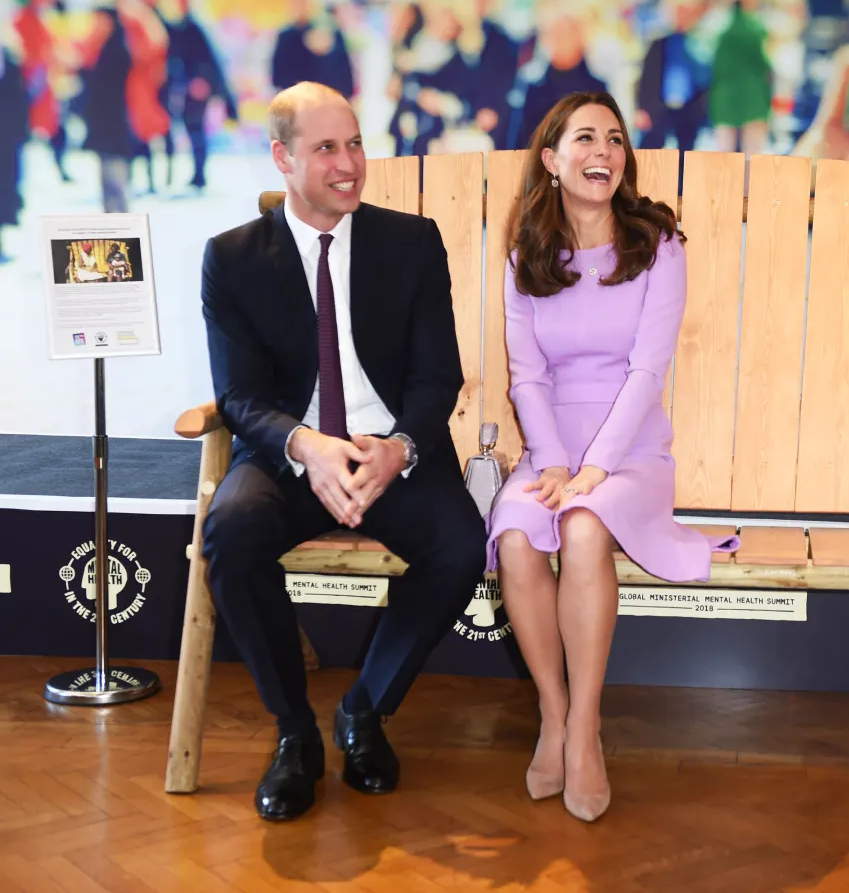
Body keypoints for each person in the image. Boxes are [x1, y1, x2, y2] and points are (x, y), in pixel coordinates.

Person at [200, 81, 487, 822]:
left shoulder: (412, 242)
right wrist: (307, 446)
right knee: (231, 531)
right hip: (290, 456)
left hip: (390, 453)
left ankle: (363, 711)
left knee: (460, 544)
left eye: (355, 143)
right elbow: (238, 398)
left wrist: (399, 449)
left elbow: (437, 374)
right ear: (283, 158)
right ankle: (295, 734)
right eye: (326, 147)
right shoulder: (231, 258)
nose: (349, 163)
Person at [485, 91, 739, 823]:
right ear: (552, 160)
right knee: (515, 534)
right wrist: (557, 464)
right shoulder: (526, 255)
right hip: (549, 450)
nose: (604, 151)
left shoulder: (658, 244)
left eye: (616, 140)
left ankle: (588, 728)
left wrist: (595, 469)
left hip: (630, 453)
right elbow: (527, 375)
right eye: (586, 138)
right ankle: (554, 714)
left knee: (586, 525)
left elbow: (647, 371)